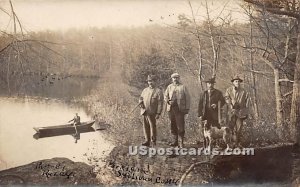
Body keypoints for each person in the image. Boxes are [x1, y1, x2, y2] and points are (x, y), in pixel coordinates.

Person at [164, 73, 190, 148]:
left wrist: (187, 108)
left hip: (180, 110)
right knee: (173, 124)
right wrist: (168, 101)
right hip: (171, 109)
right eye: (174, 78)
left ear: (179, 78)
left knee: (181, 125)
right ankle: (174, 141)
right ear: (172, 79)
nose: (175, 79)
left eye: (176, 78)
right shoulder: (169, 87)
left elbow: (188, 98)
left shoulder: (183, 87)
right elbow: (165, 96)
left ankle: (181, 142)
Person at [225, 75, 250, 147]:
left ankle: (237, 143)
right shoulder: (229, 90)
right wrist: (231, 104)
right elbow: (226, 98)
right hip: (231, 112)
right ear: (233, 82)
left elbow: (247, 102)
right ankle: (230, 144)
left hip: (240, 112)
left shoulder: (244, 91)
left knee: (239, 129)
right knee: (230, 128)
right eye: (236, 81)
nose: (237, 82)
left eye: (239, 81)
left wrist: (246, 112)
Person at [139, 75, 163, 147]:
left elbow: (160, 104)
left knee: (152, 126)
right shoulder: (145, 90)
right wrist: (141, 103)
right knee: (145, 126)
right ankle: (147, 140)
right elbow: (141, 98)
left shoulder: (158, 91)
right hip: (144, 111)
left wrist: (158, 113)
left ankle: (153, 141)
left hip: (152, 112)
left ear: (155, 82)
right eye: (149, 81)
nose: (150, 83)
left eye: (152, 81)